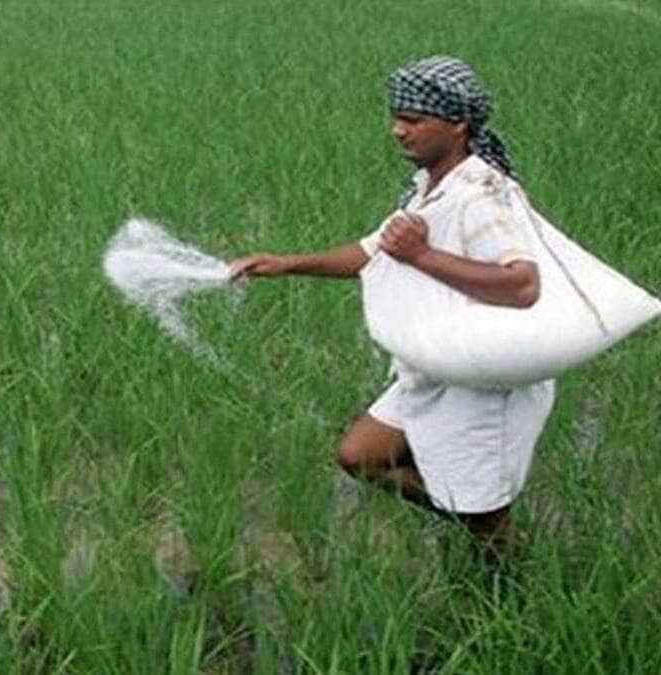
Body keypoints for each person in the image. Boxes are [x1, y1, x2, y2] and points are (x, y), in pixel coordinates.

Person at [230, 56, 555, 559]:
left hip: (483, 375)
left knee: (484, 510)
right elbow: (372, 251)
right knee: (360, 456)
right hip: (438, 361)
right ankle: (479, 526)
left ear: (458, 125)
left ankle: (511, 574)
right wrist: (285, 264)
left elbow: (523, 285)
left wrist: (422, 256)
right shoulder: (430, 187)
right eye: (397, 116)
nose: (398, 130)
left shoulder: (483, 198)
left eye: (414, 120)